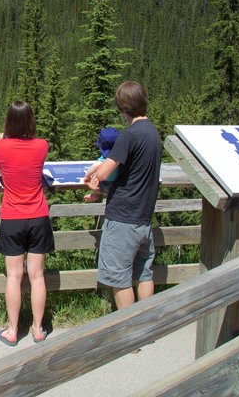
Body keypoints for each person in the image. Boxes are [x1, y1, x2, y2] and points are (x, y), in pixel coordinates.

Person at [82, 81, 163, 310]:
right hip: (144, 218)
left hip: (123, 218)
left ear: (123, 107)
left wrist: (91, 176)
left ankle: (128, 334)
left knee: (120, 278)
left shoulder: (129, 136)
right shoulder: (153, 134)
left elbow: (106, 171)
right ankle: (145, 326)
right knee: (144, 274)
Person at [0, 100, 53, 346]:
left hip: (12, 216)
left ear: (8, 123)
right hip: (38, 215)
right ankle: (38, 329)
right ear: (31, 121)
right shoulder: (42, 146)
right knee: (37, 275)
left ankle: (13, 331)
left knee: (14, 276)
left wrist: (2, 140)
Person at [83, 126, 120, 203]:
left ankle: (96, 194)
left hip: (106, 184)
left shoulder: (104, 158)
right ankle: (95, 194)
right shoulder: (120, 155)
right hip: (118, 183)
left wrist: (87, 175)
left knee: (96, 179)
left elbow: (95, 166)